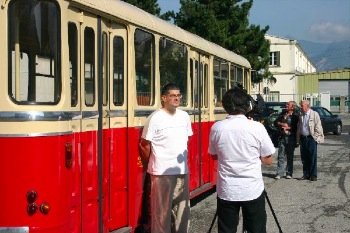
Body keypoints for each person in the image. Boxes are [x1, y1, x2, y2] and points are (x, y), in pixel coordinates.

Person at [208, 87, 276, 233]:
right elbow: (268, 160)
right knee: (256, 229)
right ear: (247, 106)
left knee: (226, 229)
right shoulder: (256, 127)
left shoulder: (217, 128)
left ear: (226, 106)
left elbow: (214, 155)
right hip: (251, 189)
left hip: (227, 189)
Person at [139, 83, 193, 233]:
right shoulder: (155, 118)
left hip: (182, 170)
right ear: (164, 98)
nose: (176, 98)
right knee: (161, 213)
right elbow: (144, 144)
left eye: (178, 95)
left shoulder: (184, 116)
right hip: (161, 173)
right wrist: (155, 161)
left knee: (183, 211)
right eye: (172, 96)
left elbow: (187, 139)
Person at [297, 100, 324, 181]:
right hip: (303, 138)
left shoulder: (314, 114)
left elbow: (318, 127)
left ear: (307, 106)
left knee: (312, 157)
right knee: (304, 157)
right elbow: (300, 126)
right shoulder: (301, 115)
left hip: (311, 138)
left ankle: (313, 175)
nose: (301, 107)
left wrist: (316, 137)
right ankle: (306, 174)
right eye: (301, 105)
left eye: (302, 106)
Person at [274, 101, 299, 179]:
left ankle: (289, 173)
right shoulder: (283, 114)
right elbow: (275, 122)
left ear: (293, 107)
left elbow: (297, 127)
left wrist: (288, 128)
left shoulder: (295, 116)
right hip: (282, 137)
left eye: (288, 104)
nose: (286, 105)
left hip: (291, 137)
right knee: (281, 155)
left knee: (290, 156)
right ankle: (279, 173)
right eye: (287, 104)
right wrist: (282, 124)